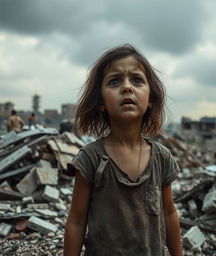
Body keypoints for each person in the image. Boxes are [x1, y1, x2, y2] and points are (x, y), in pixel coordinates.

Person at [64, 44, 183, 256]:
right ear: (101, 102)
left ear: (150, 100)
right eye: (115, 81)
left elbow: (169, 213)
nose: (127, 87)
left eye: (137, 80)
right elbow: (76, 221)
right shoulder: (91, 159)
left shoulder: (161, 158)